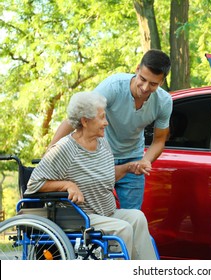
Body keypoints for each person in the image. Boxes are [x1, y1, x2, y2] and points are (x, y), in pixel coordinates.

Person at [26, 91, 157, 260]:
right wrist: (68, 185)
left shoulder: (102, 143)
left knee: (137, 218)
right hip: (82, 217)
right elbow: (34, 184)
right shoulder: (65, 149)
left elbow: (104, 178)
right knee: (123, 228)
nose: (106, 123)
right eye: (102, 118)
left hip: (106, 212)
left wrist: (129, 167)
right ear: (85, 121)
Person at [49, 49, 172, 210]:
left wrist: (145, 161)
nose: (145, 87)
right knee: (94, 214)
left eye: (153, 84)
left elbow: (159, 140)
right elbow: (79, 116)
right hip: (99, 157)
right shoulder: (113, 87)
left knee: (133, 216)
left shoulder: (164, 102)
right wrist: (51, 150)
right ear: (137, 69)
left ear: (161, 82)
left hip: (132, 159)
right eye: (142, 79)